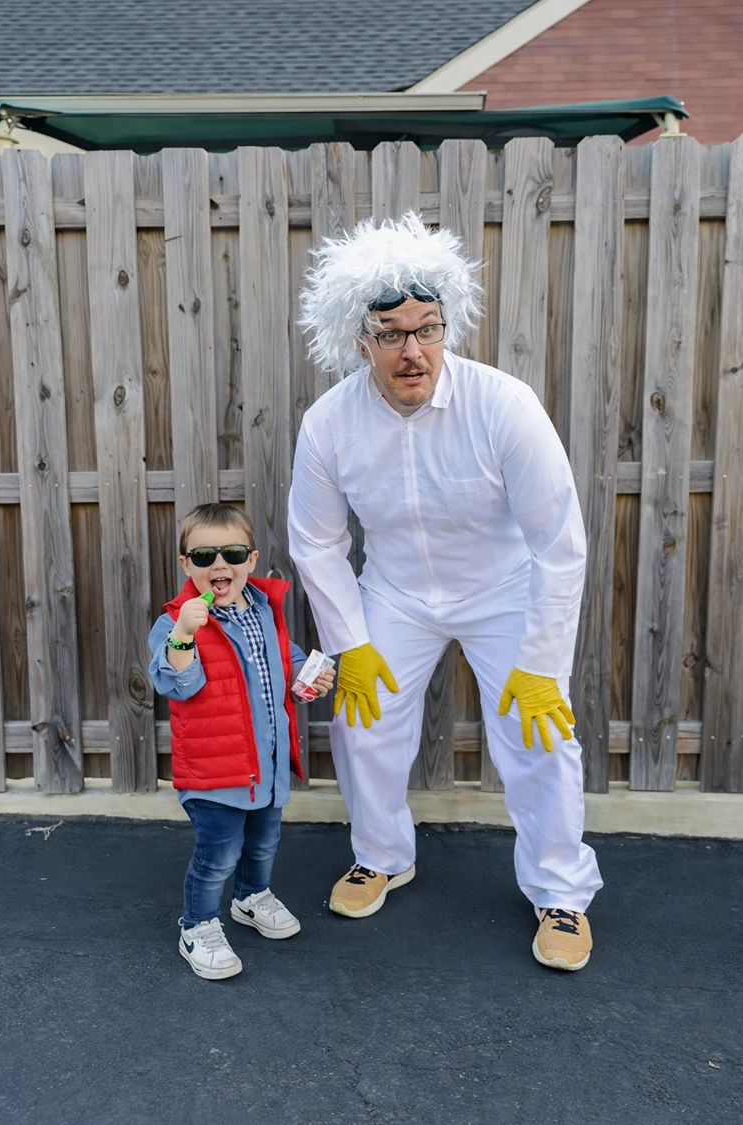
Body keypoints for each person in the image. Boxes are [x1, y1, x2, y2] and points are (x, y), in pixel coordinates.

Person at [288, 213, 603, 972]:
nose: (411, 350)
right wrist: (349, 644)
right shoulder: (328, 423)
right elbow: (318, 539)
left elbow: (559, 540)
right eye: (389, 332)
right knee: (364, 723)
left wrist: (540, 658)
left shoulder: (504, 405)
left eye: (426, 328)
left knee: (539, 732)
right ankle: (381, 856)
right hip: (395, 590)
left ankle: (561, 891)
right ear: (357, 338)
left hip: (503, 590)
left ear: (447, 325)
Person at [149, 502, 335, 980]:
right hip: (214, 773)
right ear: (184, 564)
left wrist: (307, 676)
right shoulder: (175, 623)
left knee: (263, 844)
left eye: (232, 552)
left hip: (266, 766)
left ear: (251, 560)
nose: (219, 564)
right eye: (204, 555)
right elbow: (177, 684)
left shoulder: (265, 610)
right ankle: (198, 926)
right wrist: (185, 635)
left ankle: (251, 897)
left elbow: (286, 660)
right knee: (217, 856)